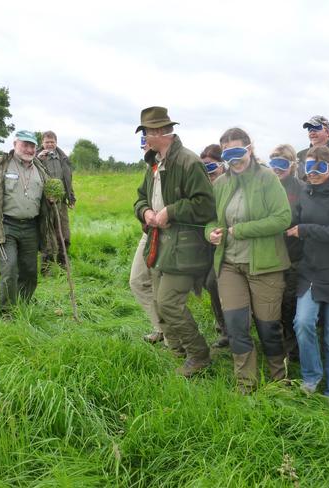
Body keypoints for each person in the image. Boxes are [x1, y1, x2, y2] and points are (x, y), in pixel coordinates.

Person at [205, 127, 291, 393]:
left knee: (268, 327)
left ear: (250, 149)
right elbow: (210, 220)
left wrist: (242, 230)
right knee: (235, 326)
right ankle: (245, 382)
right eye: (228, 153)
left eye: (238, 151)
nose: (234, 158)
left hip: (265, 266)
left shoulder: (267, 179)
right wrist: (211, 233)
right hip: (229, 265)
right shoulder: (220, 184)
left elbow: (282, 218)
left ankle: (280, 379)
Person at [134, 106, 216, 377]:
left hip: (185, 248)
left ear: (160, 132)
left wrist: (171, 211)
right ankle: (178, 351)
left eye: (146, 133)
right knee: (158, 300)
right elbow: (141, 197)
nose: (144, 138)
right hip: (159, 243)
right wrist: (145, 211)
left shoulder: (189, 162)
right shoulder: (155, 163)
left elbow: (206, 205)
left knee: (168, 302)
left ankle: (199, 354)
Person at [287, 145, 329, 399]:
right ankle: (311, 378)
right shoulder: (304, 191)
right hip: (310, 272)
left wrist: (305, 230)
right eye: (309, 166)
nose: (314, 172)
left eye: (320, 167)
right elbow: (292, 222)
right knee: (303, 323)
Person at [0, 130, 55, 316]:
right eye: (25, 144)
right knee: (9, 268)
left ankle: (23, 306)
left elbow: (49, 196)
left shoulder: (40, 169)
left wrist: (54, 197)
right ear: (15, 144)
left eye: (32, 145)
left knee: (30, 272)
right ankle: (7, 312)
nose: (29, 149)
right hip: (5, 226)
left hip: (31, 227)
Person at [268, 143, 304, 362]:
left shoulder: (301, 188)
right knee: (273, 304)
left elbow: (307, 218)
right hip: (270, 256)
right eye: (274, 163)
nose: (277, 168)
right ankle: (277, 346)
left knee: (290, 302)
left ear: (292, 165)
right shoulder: (266, 186)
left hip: (294, 257)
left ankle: (294, 349)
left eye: (282, 163)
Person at [131, 138, 166, 345]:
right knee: (137, 281)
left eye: (147, 143)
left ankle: (172, 338)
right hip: (150, 232)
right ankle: (161, 328)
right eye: (142, 144)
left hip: (169, 233)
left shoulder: (174, 164)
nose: (144, 147)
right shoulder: (150, 168)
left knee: (162, 288)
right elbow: (141, 198)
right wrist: (144, 211)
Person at [200, 144, 228, 347]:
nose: (208, 173)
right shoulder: (203, 186)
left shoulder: (230, 184)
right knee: (207, 281)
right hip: (208, 242)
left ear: (222, 165)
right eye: (204, 169)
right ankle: (223, 324)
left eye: (211, 167)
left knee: (212, 282)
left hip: (230, 244)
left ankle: (228, 329)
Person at [37, 131, 76, 275]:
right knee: (47, 234)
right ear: (42, 143)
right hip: (43, 203)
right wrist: (38, 159)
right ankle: (46, 267)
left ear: (56, 142)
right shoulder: (37, 157)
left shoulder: (63, 157)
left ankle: (63, 262)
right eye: (47, 142)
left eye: (52, 142)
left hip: (61, 202)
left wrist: (71, 197)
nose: (49, 144)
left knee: (64, 233)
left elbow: (68, 179)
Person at [297, 115, 329, 180]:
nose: (312, 132)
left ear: (327, 132)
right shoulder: (300, 156)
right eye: (309, 129)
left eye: (316, 128)